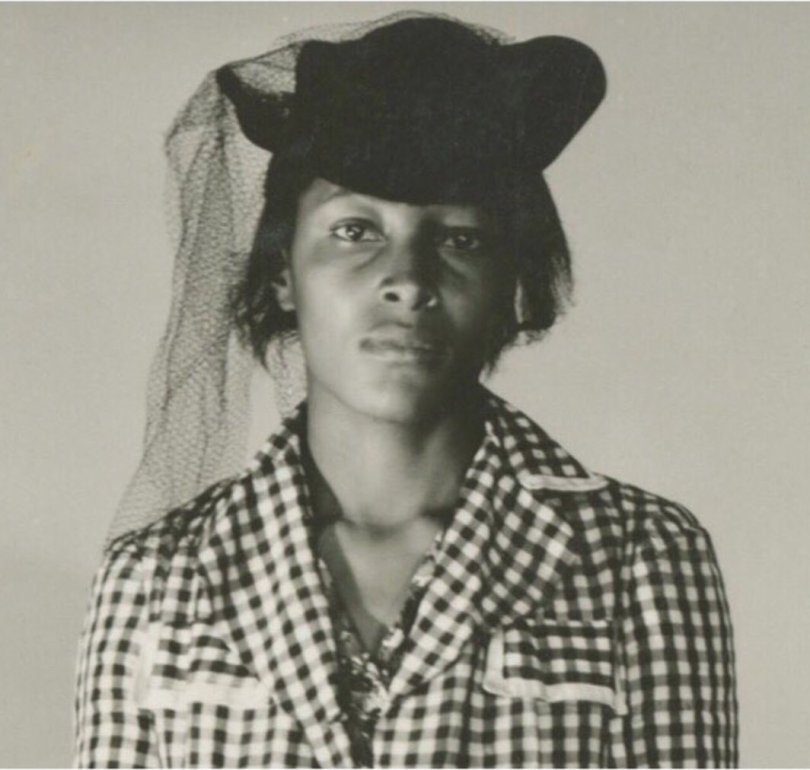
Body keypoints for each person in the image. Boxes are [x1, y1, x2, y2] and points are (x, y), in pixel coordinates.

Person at [75, 13, 738, 768]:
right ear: (283, 272)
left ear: (511, 281)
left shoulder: (640, 556)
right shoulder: (153, 580)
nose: (408, 281)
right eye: (355, 231)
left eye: (460, 238)